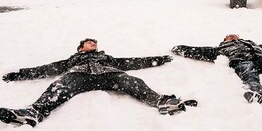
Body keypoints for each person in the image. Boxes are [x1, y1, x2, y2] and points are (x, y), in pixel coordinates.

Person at [0, 38, 196, 127]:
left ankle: (162, 102)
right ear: (80, 48)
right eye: (89, 43)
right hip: (80, 76)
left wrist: (159, 59)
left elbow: (132, 62)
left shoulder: (107, 58)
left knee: (133, 81)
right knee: (59, 86)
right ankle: (33, 113)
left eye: (95, 43)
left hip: (109, 75)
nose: (94, 45)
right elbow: (45, 69)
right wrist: (18, 74)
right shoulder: (71, 61)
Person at [172, 35, 262, 105]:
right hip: (242, 61)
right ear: (225, 40)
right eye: (230, 36)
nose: (233, 37)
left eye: (235, 35)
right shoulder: (220, 49)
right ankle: (257, 93)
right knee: (250, 74)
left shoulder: (251, 43)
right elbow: (200, 51)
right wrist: (180, 49)